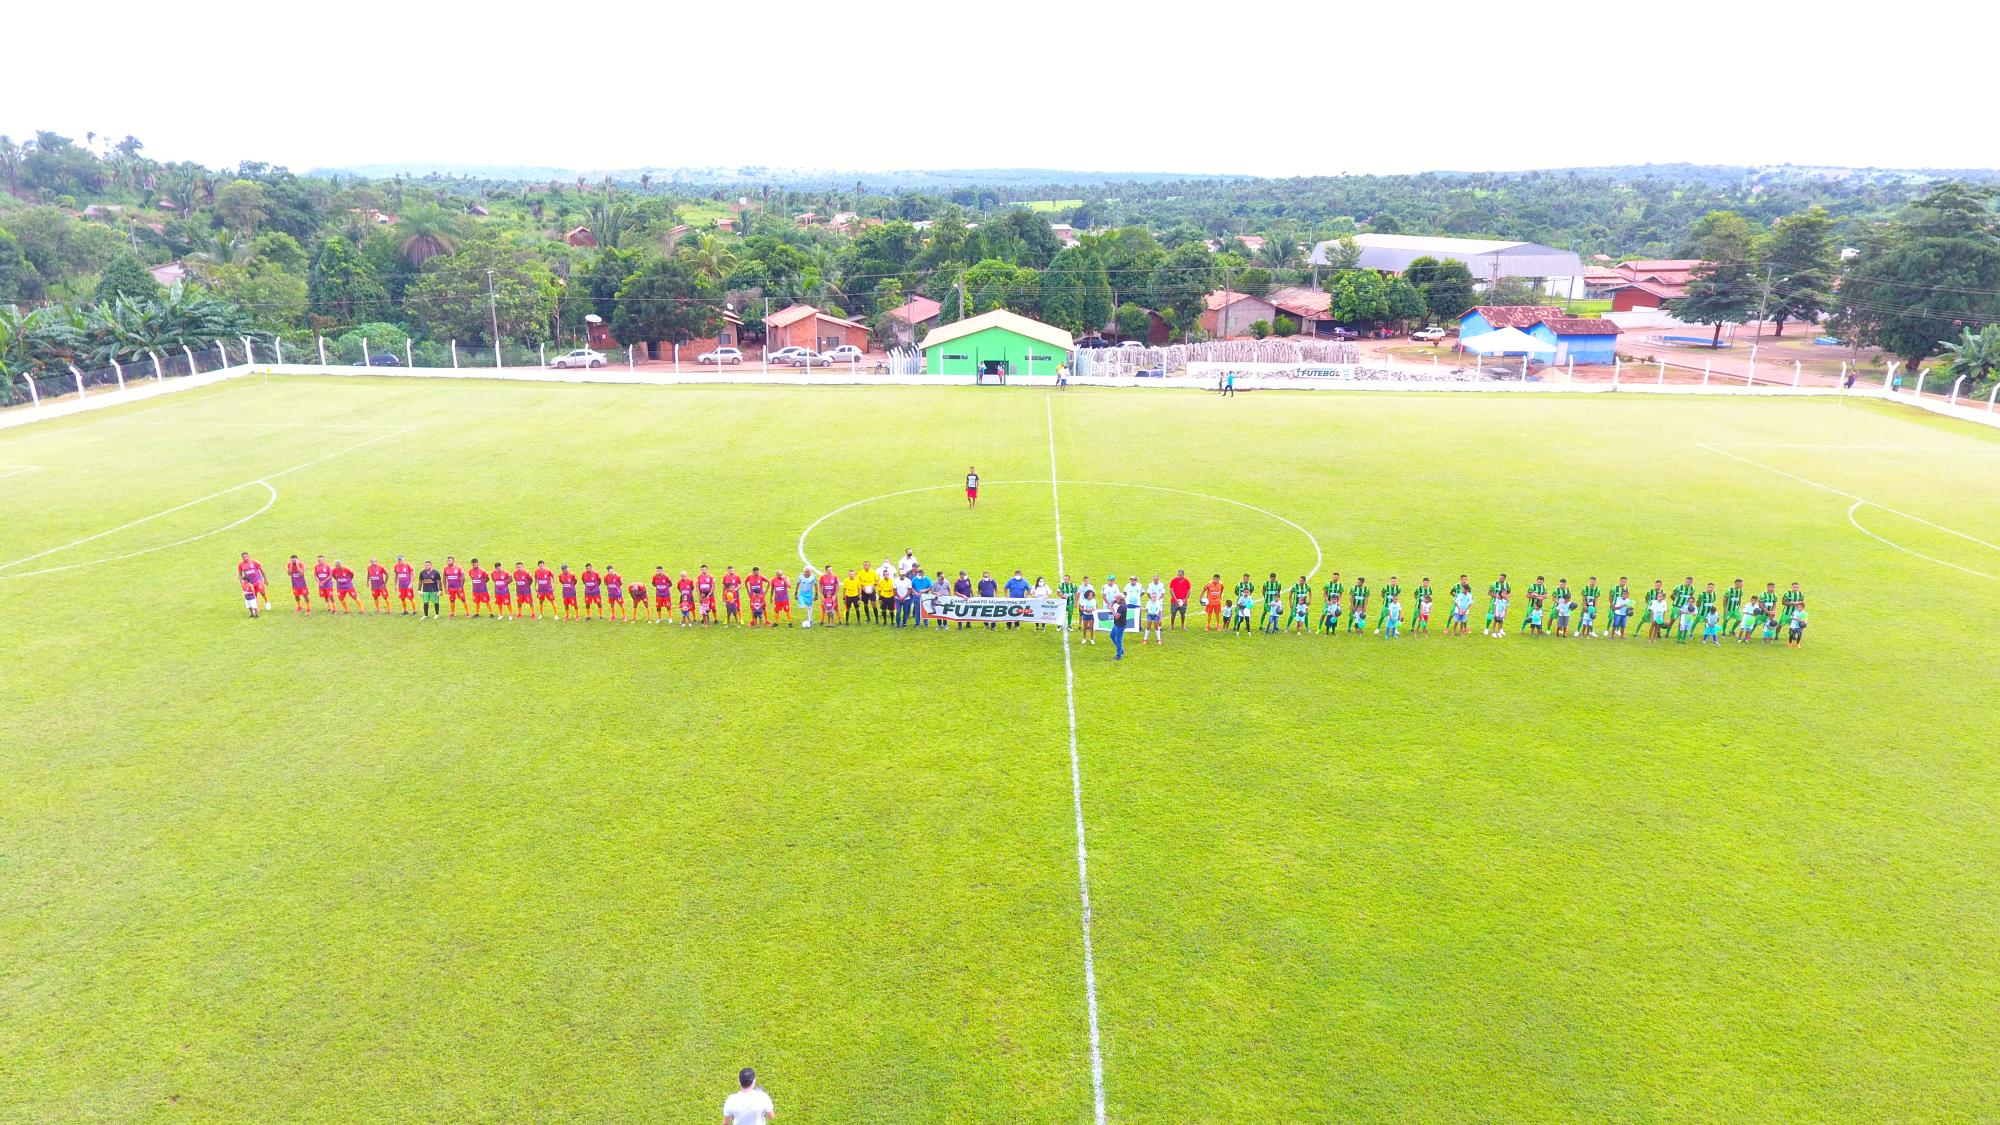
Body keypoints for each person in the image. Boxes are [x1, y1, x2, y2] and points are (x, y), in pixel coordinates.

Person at [1484, 573, 1509, 637]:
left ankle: (1500, 630)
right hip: (1494, 602)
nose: (1500, 579)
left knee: (1502, 617)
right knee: (1490, 615)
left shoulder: (1508, 585)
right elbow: (1489, 592)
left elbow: (1509, 593)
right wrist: (1496, 596)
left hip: (1503, 603)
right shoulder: (1494, 584)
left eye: (1501, 578)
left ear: (1505, 578)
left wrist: (1506, 597)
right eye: (1499, 578)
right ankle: (1486, 628)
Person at [1108, 594, 1128, 659]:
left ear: (1119, 599)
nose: (1115, 600)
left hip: (1120, 625)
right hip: (1117, 624)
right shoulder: (1122, 603)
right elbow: (1111, 605)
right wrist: (1114, 602)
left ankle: (1119, 655)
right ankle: (1121, 650)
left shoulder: (1121, 607)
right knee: (1112, 635)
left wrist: (1112, 611)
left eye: (1116, 599)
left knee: (1118, 639)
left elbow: (1117, 617)